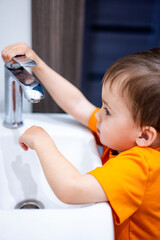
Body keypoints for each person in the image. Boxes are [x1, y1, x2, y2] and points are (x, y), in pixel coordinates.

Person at [2, 43, 160, 240]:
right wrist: (37, 65)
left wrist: (43, 141)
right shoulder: (126, 136)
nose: (99, 115)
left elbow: (71, 188)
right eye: (103, 105)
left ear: (145, 136)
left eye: (108, 111)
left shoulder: (142, 167)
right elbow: (77, 104)